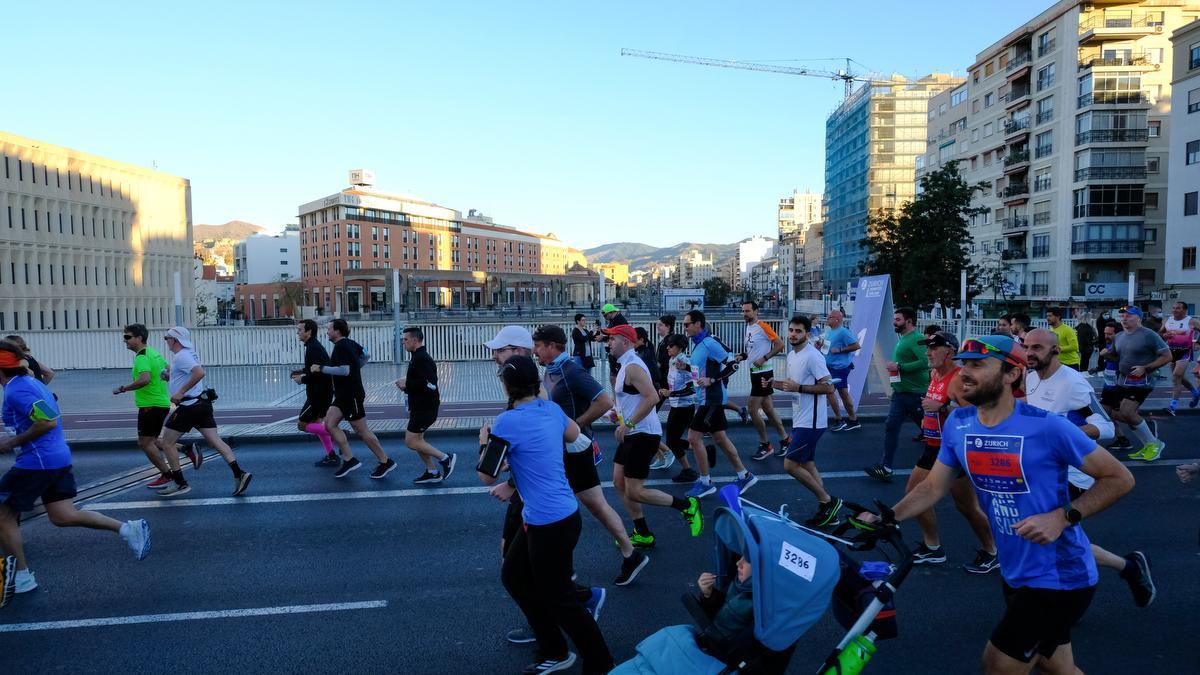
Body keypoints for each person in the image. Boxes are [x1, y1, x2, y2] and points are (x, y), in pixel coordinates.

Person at [861, 334, 1135, 675]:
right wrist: (888, 516)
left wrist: (1062, 517)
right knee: (1058, 667)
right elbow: (933, 486)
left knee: (997, 666)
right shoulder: (959, 425)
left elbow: (1119, 478)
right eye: (962, 364)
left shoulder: (1047, 426)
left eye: (978, 365)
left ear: (1011, 374)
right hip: (1016, 570)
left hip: (1059, 575)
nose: (963, 373)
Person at [479, 355, 614, 674]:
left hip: (548, 523)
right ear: (537, 383)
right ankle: (554, 648)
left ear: (506, 385)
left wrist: (484, 443)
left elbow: (486, 475)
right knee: (514, 577)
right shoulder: (552, 411)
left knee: (560, 599)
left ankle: (600, 663)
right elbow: (575, 439)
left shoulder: (506, 422)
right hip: (559, 515)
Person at [0, 338, 151, 600]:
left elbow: (46, 422)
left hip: (38, 461)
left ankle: (22, 576)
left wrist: (11, 442)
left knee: (3, 515)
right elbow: (48, 417)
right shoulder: (31, 383)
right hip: (56, 457)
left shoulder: (17, 390)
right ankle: (128, 529)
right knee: (63, 515)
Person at [1023, 329, 1156, 608]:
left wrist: (1064, 436)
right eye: (1026, 347)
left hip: (1072, 475)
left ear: (1056, 350)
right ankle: (1127, 567)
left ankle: (1061, 598)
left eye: (1037, 347)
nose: (1030, 353)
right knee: (1054, 538)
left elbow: (1106, 426)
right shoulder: (1031, 376)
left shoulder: (1073, 383)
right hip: (1045, 473)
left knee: (1044, 536)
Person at [530, 324, 650, 586]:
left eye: (538, 345)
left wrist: (576, 425)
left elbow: (604, 401)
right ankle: (629, 556)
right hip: (563, 449)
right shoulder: (550, 371)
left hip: (575, 449)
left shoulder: (570, 370)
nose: (534, 350)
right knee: (590, 505)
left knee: (573, 507)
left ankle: (566, 568)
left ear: (552, 346)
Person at [905, 330, 998, 573]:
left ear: (949, 351)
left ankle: (993, 550)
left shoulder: (958, 378)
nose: (928, 352)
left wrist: (943, 406)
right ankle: (932, 547)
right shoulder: (934, 373)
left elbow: (976, 413)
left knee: (967, 507)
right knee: (914, 494)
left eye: (934, 348)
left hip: (953, 451)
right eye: (928, 348)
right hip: (933, 446)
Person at [603, 324, 703, 548]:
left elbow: (652, 398)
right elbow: (631, 399)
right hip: (632, 432)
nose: (608, 343)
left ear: (626, 342)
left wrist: (628, 423)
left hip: (643, 434)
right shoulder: (625, 365)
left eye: (612, 339)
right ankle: (642, 533)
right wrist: (616, 414)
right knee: (619, 482)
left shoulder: (633, 367)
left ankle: (687, 506)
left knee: (635, 491)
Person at [155, 327, 252, 497]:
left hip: (189, 407)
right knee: (216, 441)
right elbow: (187, 374)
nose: (166, 341)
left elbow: (199, 373)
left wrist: (180, 392)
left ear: (175, 340)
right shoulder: (189, 354)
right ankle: (239, 473)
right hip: (202, 404)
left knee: (166, 443)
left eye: (167, 338)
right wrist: (169, 377)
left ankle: (180, 484)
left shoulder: (182, 356)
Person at [770, 316, 842, 527]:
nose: (793, 334)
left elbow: (829, 388)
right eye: (791, 330)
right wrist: (772, 383)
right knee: (807, 464)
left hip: (811, 422)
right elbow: (792, 385)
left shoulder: (813, 356)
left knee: (790, 465)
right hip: (800, 417)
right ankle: (828, 510)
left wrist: (799, 388)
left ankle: (829, 501)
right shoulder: (792, 355)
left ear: (807, 334)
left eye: (798, 331)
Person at [681, 310, 757, 499]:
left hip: (711, 399)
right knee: (721, 439)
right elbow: (701, 371)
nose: (684, 328)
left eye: (687, 324)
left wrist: (713, 380)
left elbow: (733, 365)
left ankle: (705, 482)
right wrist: (688, 370)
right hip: (706, 398)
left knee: (693, 438)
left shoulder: (710, 343)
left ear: (698, 324)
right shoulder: (698, 345)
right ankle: (744, 475)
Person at [112, 324, 199, 489]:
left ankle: (167, 474)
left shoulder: (142, 357)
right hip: (160, 404)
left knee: (144, 443)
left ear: (139, 338)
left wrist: (123, 389)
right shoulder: (154, 353)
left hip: (150, 405)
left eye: (128, 337)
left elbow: (144, 379)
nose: (125, 341)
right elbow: (170, 369)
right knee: (152, 440)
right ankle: (186, 449)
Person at [314, 319, 396, 479]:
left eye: (329, 329)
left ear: (337, 331)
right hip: (342, 395)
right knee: (330, 424)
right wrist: (356, 367)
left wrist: (321, 368)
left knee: (361, 430)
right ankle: (349, 459)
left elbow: (344, 371)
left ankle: (385, 461)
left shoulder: (341, 347)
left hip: (351, 395)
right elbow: (366, 354)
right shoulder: (350, 343)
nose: (327, 332)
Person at [864, 308, 929, 482]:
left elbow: (925, 362)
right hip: (900, 393)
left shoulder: (917, 339)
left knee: (931, 431)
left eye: (898, 319)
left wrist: (899, 367)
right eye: (894, 319)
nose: (894, 322)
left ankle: (955, 463)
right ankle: (885, 467)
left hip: (915, 393)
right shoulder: (904, 339)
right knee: (891, 426)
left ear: (908, 321)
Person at [1106, 307, 1170, 461]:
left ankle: (1155, 444)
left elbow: (1167, 356)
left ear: (1139, 319)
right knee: (1110, 412)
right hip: (1122, 380)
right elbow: (1116, 356)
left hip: (1142, 381)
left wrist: (1146, 368)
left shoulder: (1149, 335)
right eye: (1123, 316)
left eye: (1129, 316)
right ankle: (1146, 436)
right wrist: (1106, 354)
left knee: (1127, 412)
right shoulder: (1119, 336)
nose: (1125, 318)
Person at [394, 327, 455, 484]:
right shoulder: (417, 357)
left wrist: (406, 385)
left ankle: (446, 458)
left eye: (405, 340)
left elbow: (430, 385)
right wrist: (408, 386)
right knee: (419, 440)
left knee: (411, 441)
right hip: (419, 406)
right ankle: (432, 472)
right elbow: (422, 382)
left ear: (415, 340)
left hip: (426, 408)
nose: (403, 343)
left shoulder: (422, 358)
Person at [737, 301, 790, 461]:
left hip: (764, 373)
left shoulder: (763, 326)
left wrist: (765, 357)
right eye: (743, 311)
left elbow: (780, 344)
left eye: (748, 311)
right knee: (768, 409)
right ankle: (785, 440)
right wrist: (743, 356)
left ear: (756, 311)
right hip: (755, 372)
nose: (745, 314)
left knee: (752, 409)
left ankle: (765, 445)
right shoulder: (748, 327)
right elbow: (753, 349)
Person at [291, 319, 337, 467]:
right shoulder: (312, 346)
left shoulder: (313, 348)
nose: (298, 332)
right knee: (317, 424)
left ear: (309, 331)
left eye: (300, 329)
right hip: (322, 393)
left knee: (302, 425)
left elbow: (319, 374)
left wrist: (302, 379)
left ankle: (338, 434)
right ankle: (332, 455)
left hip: (318, 395)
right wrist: (301, 371)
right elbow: (314, 368)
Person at [657, 334, 699, 484]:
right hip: (676, 405)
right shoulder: (672, 360)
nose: (667, 347)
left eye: (671, 345)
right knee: (672, 440)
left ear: (680, 347)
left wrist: (672, 393)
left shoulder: (685, 361)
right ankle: (699, 450)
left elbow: (694, 387)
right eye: (668, 345)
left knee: (672, 442)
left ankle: (689, 471)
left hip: (684, 407)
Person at [821, 309, 861, 432]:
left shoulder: (843, 332)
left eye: (830, 317)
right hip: (829, 367)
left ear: (837, 319)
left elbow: (856, 345)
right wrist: (820, 346)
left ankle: (850, 420)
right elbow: (828, 347)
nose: (827, 318)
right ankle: (844, 420)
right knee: (831, 392)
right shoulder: (829, 331)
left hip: (840, 367)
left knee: (840, 393)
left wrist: (840, 350)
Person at [1159, 301, 1200, 416]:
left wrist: (1198, 344)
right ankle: (1196, 393)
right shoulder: (1167, 320)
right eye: (1173, 308)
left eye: (1178, 308)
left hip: (1185, 351)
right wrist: (1164, 335)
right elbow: (1160, 333)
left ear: (1184, 310)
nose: (1174, 310)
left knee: (1176, 376)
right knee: (1179, 378)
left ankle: (1172, 406)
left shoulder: (1191, 321)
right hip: (1171, 351)